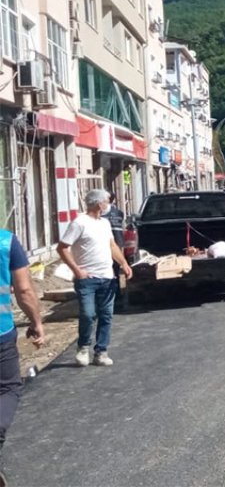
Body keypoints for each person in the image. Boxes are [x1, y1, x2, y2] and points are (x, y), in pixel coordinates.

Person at [56, 189, 133, 368]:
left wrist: (123, 264)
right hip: (87, 279)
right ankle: (83, 348)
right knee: (88, 314)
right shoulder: (79, 223)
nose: (108, 205)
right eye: (106, 201)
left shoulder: (104, 223)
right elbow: (62, 248)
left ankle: (101, 352)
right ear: (99, 204)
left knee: (106, 315)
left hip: (107, 277)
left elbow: (111, 245)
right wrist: (76, 269)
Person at [0, 228, 45, 475]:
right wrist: (36, 321)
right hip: (1, 333)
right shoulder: (5, 241)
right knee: (8, 387)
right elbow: (24, 291)